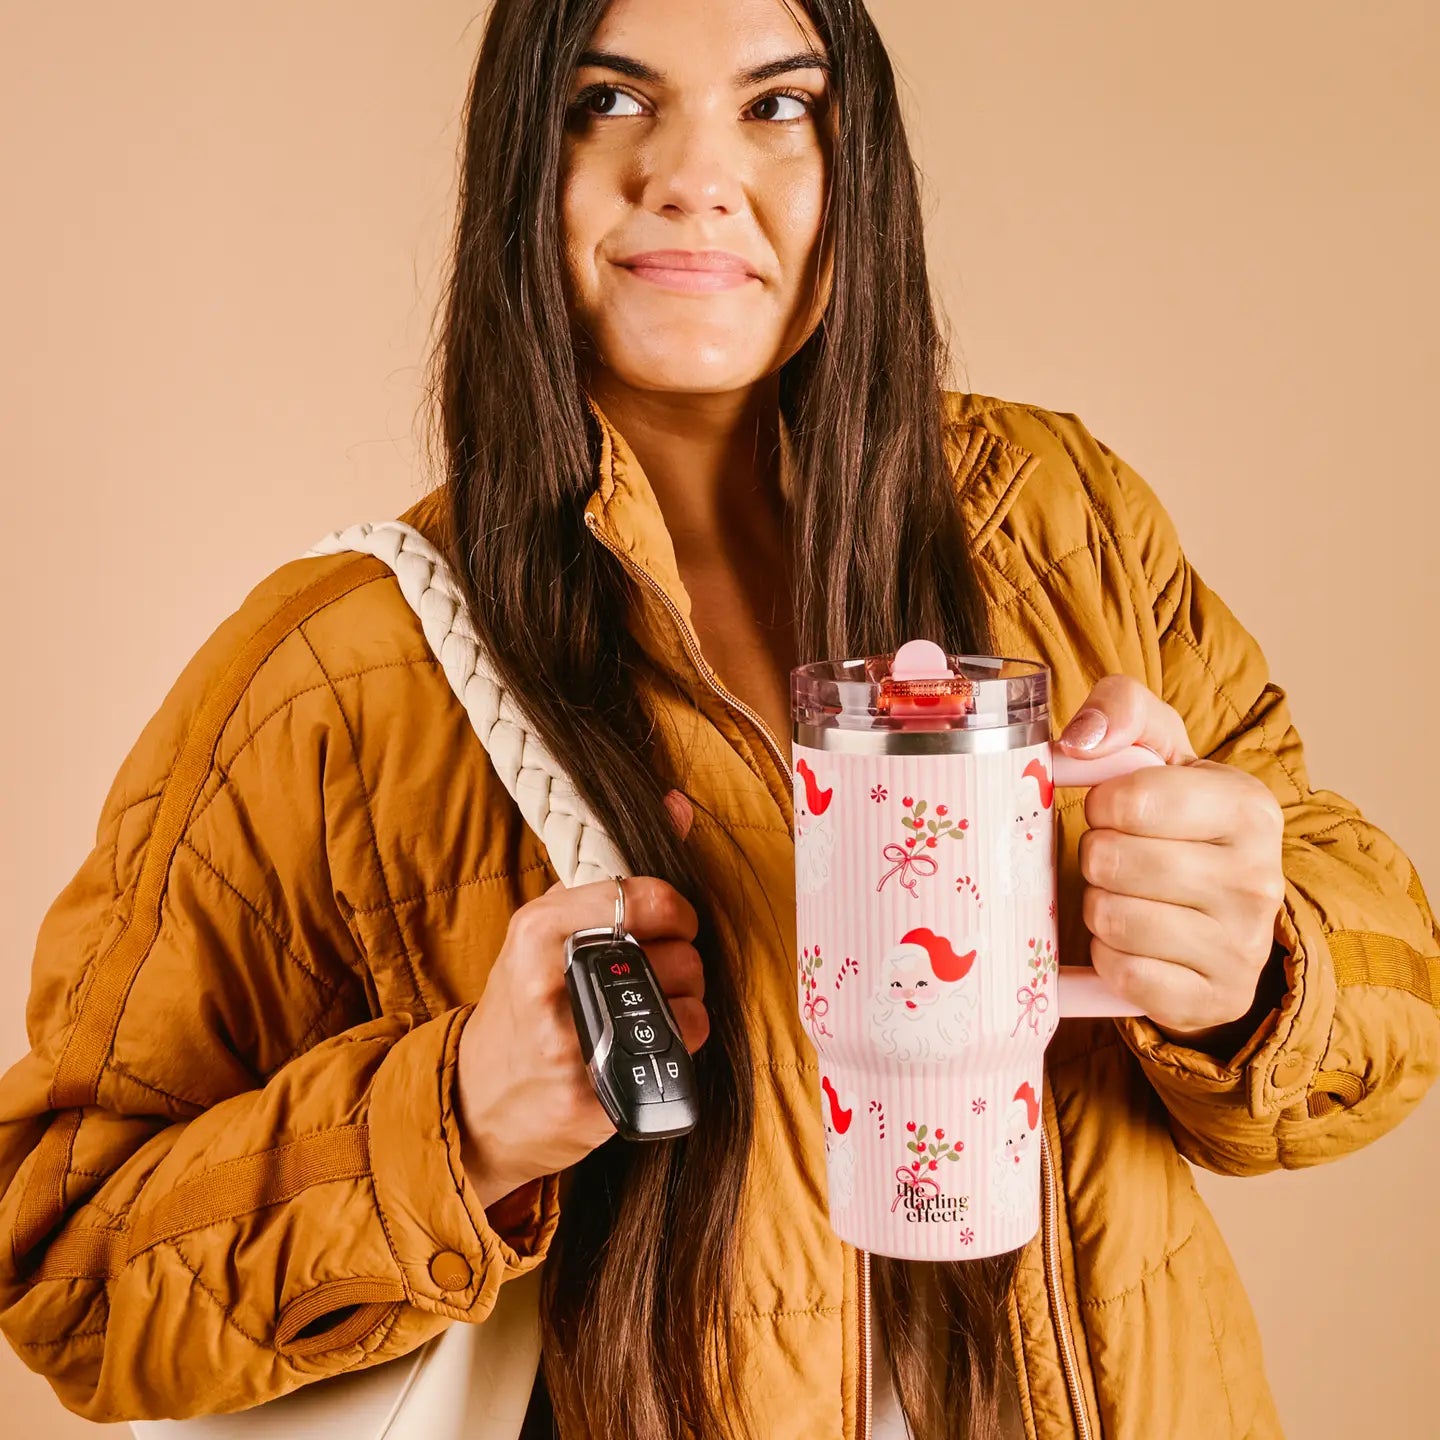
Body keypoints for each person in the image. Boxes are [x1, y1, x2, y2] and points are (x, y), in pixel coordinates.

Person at [2, 1, 1436, 1437]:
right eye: (610, 101)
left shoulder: (1063, 521)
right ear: (522, 161)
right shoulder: (337, 672)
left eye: (777, 105)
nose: (693, 175)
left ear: (857, 165)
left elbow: (1396, 985)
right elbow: (67, 1274)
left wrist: (1260, 960)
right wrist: (461, 1120)